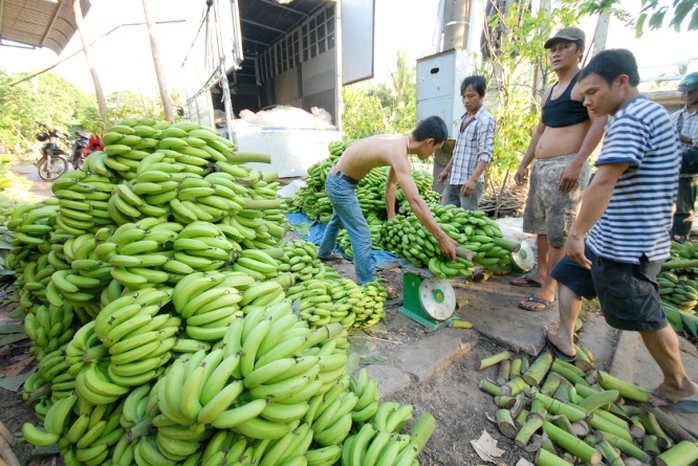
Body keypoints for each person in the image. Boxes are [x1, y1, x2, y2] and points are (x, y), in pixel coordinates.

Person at [546, 49, 698, 405]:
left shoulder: (632, 118)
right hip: (612, 233)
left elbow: (604, 181)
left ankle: (679, 383)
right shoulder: (650, 114)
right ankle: (565, 337)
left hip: (629, 241)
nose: (588, 102)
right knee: (568, 274)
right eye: (584, 95)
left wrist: (577, 233)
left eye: (593, 92)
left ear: (622, 82)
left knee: (644, 314)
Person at [510, 26, 607, 312]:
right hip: (543, 168)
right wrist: (525, 162)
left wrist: (577, 162)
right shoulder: (550, 91)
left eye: (564, 47)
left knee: (559, 231)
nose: (556, 53)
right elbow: (540, 131)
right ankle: (542, 274)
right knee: (541, 228)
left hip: (566, 166)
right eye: (553, 48)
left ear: (579, 51)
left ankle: (550, 288)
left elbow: (599, 123)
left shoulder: (583, 84)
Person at [317, 116, 459, 284]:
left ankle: (324, 253)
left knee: (337, 219)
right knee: (362, 235)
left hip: (337, 178)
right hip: (341, 185)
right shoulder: (399, 154)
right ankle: (367, 284)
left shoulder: (399, 143)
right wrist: (441, 237)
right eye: (435, 149)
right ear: (429, 142)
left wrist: (391, 217)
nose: (432, 154)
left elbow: (391, 185)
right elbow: (414, 201)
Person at [437, 75, 496, 211]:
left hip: (469, 183)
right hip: (454, 180)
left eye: (471, 96)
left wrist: (473, 180)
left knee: (467, 222)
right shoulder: (463, 118)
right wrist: (446, 170)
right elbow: (458, 150)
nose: (466, 101)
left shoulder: (485, 120)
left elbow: (485, 153)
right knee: (444, 215)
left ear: (482, 95)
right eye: (464, 97)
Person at [669, 72, 698, 243]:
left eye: (692, 91)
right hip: (671, 167)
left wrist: (685, 139)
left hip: (688, 171)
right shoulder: (676, 116)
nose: (687, 95)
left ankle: (678, 244)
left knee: (684, 210)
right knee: (662, 207)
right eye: (685, 91)